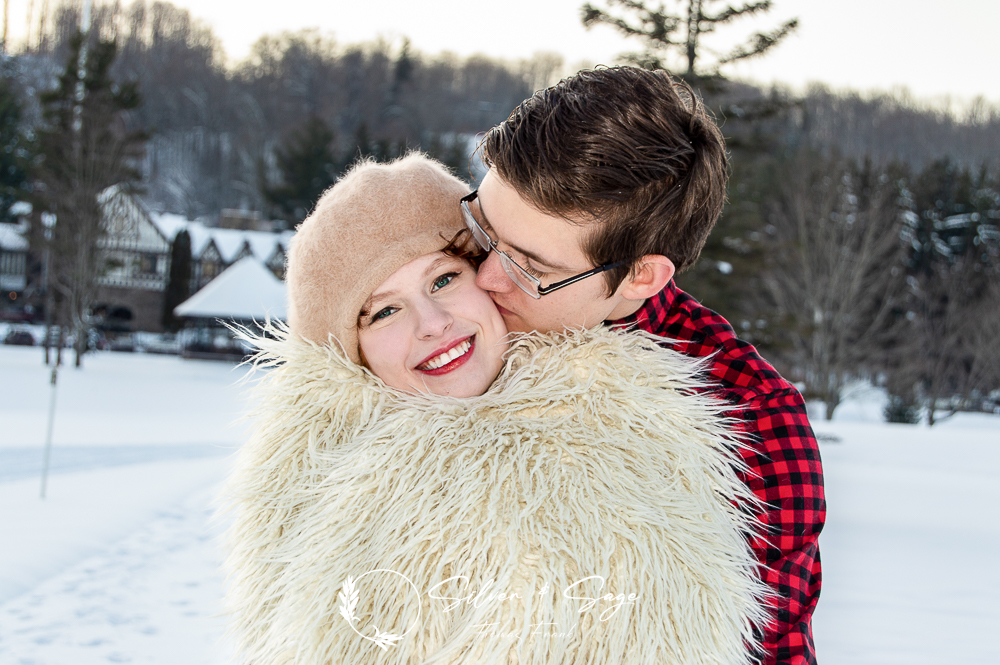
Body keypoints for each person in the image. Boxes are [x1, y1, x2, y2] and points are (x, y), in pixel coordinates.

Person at [222, 153, 768, 665]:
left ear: (490, 278)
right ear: (347, 353)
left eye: (444, 279)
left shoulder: (636, 428)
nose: (432, 322)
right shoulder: (320, 496)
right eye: (383, 312)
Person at [467, 66, 826, 664]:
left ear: (640, 276)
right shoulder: (434, 287)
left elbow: (769, 651)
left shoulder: (753, 427)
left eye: (532, 266)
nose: (482, 277)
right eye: (483, 225)